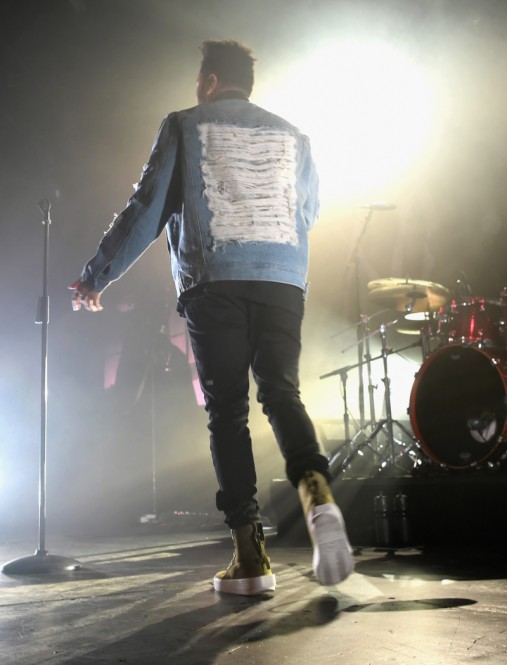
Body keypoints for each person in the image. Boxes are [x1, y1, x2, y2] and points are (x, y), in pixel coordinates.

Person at [70, 39, 353, 595]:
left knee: (227, 409)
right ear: (248, 83)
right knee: (282, 392)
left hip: (216, 280)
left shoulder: (184, 124)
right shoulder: (294, 136)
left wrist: (96, 274)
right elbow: (308, 209)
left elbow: (146, 207)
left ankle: (250, 557)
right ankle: (319, 498)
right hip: (281, 279)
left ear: (207, 82)